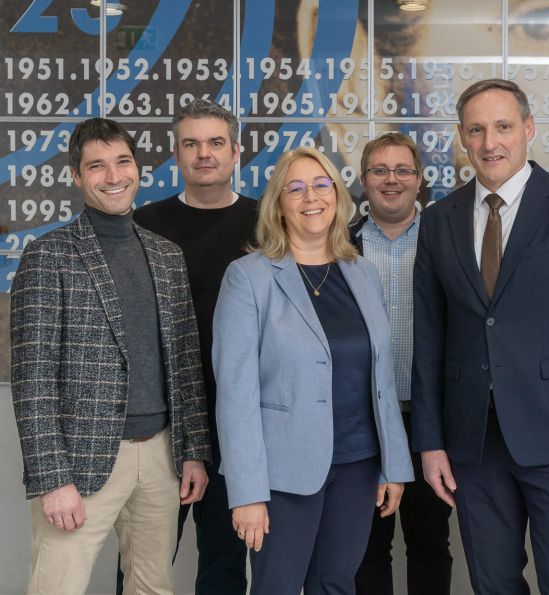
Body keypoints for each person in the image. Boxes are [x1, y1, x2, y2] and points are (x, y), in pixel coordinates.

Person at [412, 78, 549, 594]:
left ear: (529, 129)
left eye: (503, 126)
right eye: (477, 130)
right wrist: (431, 442)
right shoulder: (440, 220)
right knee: (492, 583)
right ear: (462, 138)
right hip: (472, 443)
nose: (491, 143)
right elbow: (429, 338)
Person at [10, 117, 211, 595]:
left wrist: (195, 452)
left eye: (122, 162)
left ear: (138, 168)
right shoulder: (48, 256)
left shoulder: (166, 256)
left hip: (161, 457)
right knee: (56, 587)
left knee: (152, 586)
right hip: (80, 463)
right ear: (77, 177)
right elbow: (31, 378)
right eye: (96, 166)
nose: (113, 175)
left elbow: (184, 363)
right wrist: (51, 478)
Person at [212, 147, 414, 594]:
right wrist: (247, 492)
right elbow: (235, 394)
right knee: (277, 587)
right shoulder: (248, 278)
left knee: (337, 584)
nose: (311, 197)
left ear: (339, 197)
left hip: (359, 464)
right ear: (278, 203)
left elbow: (380, 380)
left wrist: (393, 466)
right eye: (296, 188)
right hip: (282, 475)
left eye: (322, 185)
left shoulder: (361, 273)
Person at [115, 98, 258, 594]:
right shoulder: (143, 226)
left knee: (224, 561)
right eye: (191, 144)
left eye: (216, 143)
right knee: (141, 563)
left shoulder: (267, 225)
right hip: (159, 424)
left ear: (237, 151)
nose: (204, 154)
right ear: (175, 155)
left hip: (238, 420)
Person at [351, 133, 453, 595]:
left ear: (420, 180)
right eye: (379, 171)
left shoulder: (450, 242)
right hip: (360, 420)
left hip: (431, 420)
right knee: (366, 546)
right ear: (362, 180)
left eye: (402, 171)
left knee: (430, 541)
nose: (391, 180)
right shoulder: (338, 246)